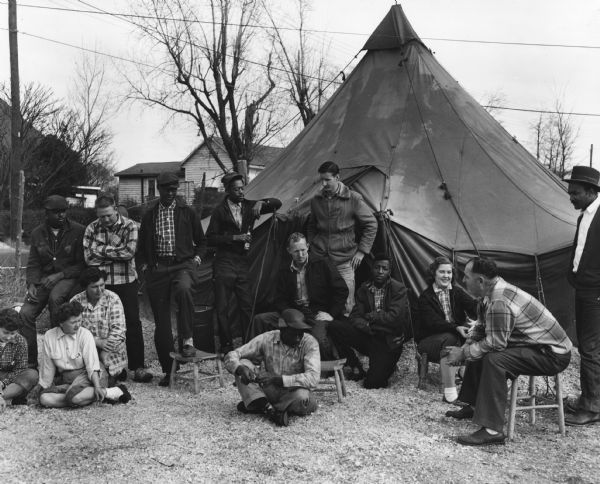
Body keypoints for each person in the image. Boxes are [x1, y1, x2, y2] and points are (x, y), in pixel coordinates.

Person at [444, 257, 572, 446]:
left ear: (480, 281)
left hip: (552, 354)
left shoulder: (499, 301)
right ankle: (474, 405)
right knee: (478, 349)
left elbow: (495, 343)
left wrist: (463, 354)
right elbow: (480, 326)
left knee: (495, 359)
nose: (463, 280)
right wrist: (465, 348)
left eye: (466, 276)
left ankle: (492, 430)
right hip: (535, 346)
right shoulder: (489, 293)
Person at [136, 171, 207, 386]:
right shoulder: (150, 215)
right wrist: (146, 267)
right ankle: (169, 371)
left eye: (174, 190)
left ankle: (187, 340)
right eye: (166, 190)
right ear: (159, 190)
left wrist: (196, 259)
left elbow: (202, 242)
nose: (170, 193)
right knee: (162, 323)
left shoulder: (188, 212)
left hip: (182, 265)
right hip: (158, 269)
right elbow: (141, 248)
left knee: (185, 289)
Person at [206, 172, 282, 352]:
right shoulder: (219, 211)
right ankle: (226, 346)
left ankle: (249, 345)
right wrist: (234, 237)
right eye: (236, 189)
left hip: (242, 263)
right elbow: (210, 238)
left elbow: (277, 203)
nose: (241, 192)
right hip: (224, 262)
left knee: (246, 306)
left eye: (242, 188)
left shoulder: (249, 206)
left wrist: (261, 203)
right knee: (223, 307)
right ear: (228, 191)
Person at [83, 193, 152, 383]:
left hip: (126, 280)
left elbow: (129, 253)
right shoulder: (91, 228)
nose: (105, 219)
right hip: (103, 283)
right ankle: (111, 367)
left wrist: (101, 249)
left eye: (108, 215)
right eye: (101, 216)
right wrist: (115, 251)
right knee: (104, 324)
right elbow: (88, 258)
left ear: (115, 208)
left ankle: (137, 366)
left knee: (132, 322)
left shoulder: (130, 226)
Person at [250, 232, 348, 359]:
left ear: (308, 246)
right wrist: (287, 312)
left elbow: (342, 290)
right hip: (294, 311)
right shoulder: (284, 269)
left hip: (316, 312)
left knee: (318, 338)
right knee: (260, 320)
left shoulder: (322, 263)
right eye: (296, 251)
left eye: (303, 250)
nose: (300, 255)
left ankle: (326, 367)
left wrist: (331, 313)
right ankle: (254, 358)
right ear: (289, 250)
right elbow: (279, 298)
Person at [19, 195, 85, 367]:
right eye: (56, 212)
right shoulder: (37, 233)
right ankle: (30, 363)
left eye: (63, 211)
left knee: (55, 299)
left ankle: (60, 361)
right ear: (47, 214)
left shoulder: (78, 231)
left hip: (68, 278)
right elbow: (33, 263)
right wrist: (32, 283)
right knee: (25, 313)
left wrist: (60, 275)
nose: (61, 215)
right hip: (43, 281)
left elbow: (82, 264)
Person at [224, 308, 320, 427]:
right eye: (293, 333)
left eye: (300, 333)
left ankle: (259, 405)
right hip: (270, 389)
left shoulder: (310, 343)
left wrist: (278, 379)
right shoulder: (267, 338)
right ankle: (271, 410)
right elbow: (231, 355)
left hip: (293, 392)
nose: (297, 338)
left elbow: (313, 378)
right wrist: (239, 368)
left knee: (304, 399)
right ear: (282, 329)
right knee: (243, 363)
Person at [328, 253, 409, 388]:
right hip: (369, 335)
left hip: (388, 342)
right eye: (377, 267)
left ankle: (386, 364)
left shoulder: (398, 289)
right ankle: (354, 364)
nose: (380, 271)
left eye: (384, 268)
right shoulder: (365, 288)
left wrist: (372, 316)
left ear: (390, 271)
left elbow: (394, 318)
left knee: (372, 383)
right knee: (334, 326)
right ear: (372, 269)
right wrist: (367, 326)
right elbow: (354, 317)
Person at [307, 161, 378, 315]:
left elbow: (371, 224)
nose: (324, 184)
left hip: (344, 260)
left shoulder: (353, 199)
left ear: (337, 177)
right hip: (320, 259)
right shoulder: (316, 200)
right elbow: (312, 225)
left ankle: (343, 334)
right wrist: (310, 244)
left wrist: (361, 252)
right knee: (321, 301)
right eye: (321, 180)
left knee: (346, 304)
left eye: (327, 180)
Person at [35, 301, 131, 408]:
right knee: (44, 399)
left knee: (74, 397)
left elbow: (92, 365)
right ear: (61, 323)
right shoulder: (50, 336)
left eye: (79, 320)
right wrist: (43, 387)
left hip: (91, 375)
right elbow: (47, 366)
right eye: (73, 322)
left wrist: (97, 386)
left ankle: (107, 392)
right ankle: (95, 395)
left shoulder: (85, 334)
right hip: (68, 381)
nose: (78, 325)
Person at [563, 166, 600, 426]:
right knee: (589, 347)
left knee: (590, 349)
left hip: (595, 292)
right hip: (583, 287)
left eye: (575, 193)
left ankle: (591, 407)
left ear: (591, 191)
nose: (571, 197)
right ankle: (590, 398)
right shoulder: (584, 215)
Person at [416, 256, 477, 403]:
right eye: (442, 272)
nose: (446, 276)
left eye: (449, 272)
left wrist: (478, 320)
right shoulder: (426, 297)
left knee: (473, 337)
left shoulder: (457, 292)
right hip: (429, 342)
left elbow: (474, 307)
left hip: (454, 338)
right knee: (451, 338)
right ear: (433, 274)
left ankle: (469, 388)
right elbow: (432, 323)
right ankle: (449, 394)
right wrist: (456, 327)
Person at [71, 268, 128, 387]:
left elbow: (119, 331)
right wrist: (97, 342)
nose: (99, 290)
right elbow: (72, 330)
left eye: (102, 285)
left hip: (110, 349)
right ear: (86, 287)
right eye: (94, 287)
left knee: (103, 379)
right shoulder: (76, 301)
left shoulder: (113, 299)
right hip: (85, 349)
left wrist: (105, 350)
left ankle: (109, 375)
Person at [0, 308, 39, 410]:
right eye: (6, 332)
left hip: (9, 378)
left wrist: (4, 382)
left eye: (12, 333)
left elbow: (20, 369)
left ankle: (3, 396)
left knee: (32, 375)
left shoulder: (21, 341)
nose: (9, 337)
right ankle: (7, 398)